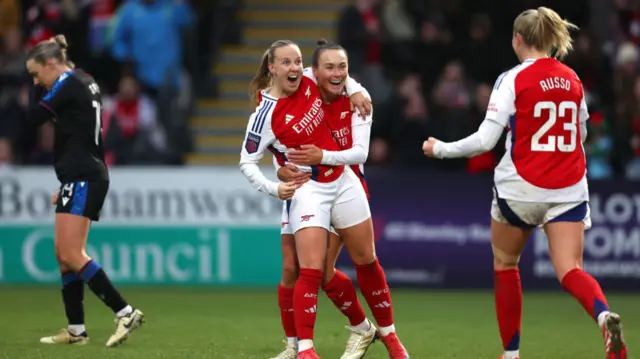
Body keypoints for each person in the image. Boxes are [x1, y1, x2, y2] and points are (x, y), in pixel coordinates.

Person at [422, 7, 628, 359]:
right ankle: (603, 315)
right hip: (567, 188)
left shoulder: (512, 79)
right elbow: (580, 134)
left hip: (521, 187)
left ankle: (511, 354)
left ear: (518, 39)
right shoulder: (574, 79)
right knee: (571, 270)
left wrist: (440, 148)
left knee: (505, 264)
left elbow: (486, 140)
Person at [270, 40, 410, 359]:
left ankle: (385, 336)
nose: (336, 74)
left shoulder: (358, 101)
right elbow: (288, 78)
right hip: (305, 184)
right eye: (329, 68)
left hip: (343, 181)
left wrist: (355, 88)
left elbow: (360, 153)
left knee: (347, 263)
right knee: (296, 267)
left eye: (342, 68)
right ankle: (300, 345)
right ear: (315, 72)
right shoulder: (303, 86)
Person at [25, 35, 145, 348]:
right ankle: (76, 330)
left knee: (70, 253)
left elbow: (32, 117)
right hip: (81, 174)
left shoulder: (65, 83)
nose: (37, 82)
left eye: (36, 74)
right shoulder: (85, 81)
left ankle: (125, 311)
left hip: (83, 176)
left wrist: (25, 89)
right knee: (63, 256)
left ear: (51, 63)